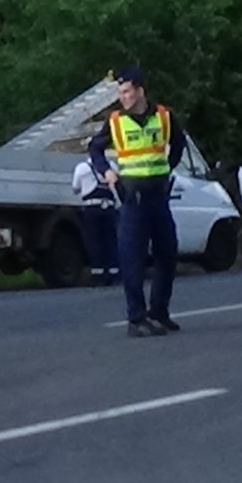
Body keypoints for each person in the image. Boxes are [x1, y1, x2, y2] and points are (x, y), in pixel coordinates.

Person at [88, 66, 186, 337]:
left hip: (159, 195)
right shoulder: (116, 121)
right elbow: (95, 147)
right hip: (134, 198)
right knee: (132, 258)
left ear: (141, 90)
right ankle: (136, 318)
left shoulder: (164, 116)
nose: (124, 97)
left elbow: (179, 143)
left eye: (128, 91)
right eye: (120, 92)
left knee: (167, 254)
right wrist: (107, 171)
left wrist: (168, 167)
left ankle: (159, 312)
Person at [71, 157, 121, 287]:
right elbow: (118, 184)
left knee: (94, 241)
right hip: (109, 207)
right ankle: (113, 273)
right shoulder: (112, 166)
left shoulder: (81, 168)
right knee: (111, 240)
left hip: (91, 208)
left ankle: (97, 274)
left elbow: (75, 188)